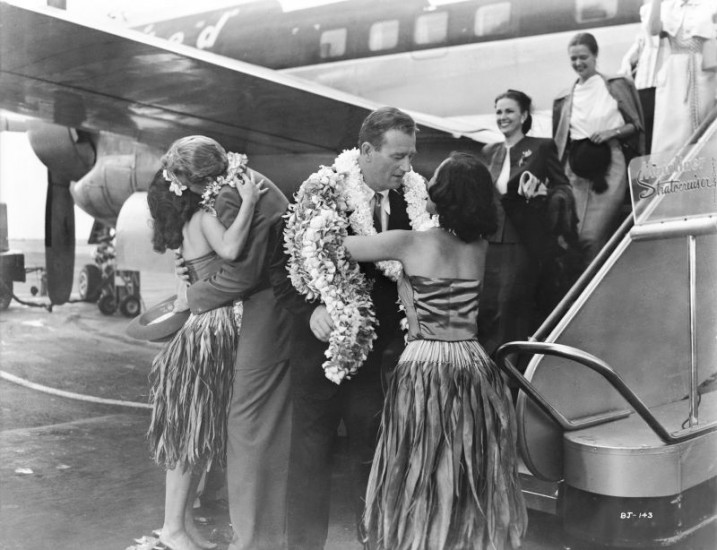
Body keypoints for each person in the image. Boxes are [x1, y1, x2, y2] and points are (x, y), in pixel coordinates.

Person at [341, 152, 527, 550]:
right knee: (461, 462)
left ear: (445, 194)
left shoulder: (408, 242)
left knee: (419, 462)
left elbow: (338, 246)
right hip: (472, 364)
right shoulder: (479, 247)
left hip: (424, 364)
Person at [270, 107, 418, 550]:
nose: (406, 167)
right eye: (398, 156)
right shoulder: (317, 195)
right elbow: (280, 269)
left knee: (372, 458)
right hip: (319, 355)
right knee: (310, 457)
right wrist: (309, 310)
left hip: (378, 359)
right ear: (367, 150)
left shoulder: (413, 199)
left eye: (411, 156)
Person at [145, 135, 264, 550]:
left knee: (195, 434)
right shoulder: (201, 217)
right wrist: (249, 202)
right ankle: (173, 530)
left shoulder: (182, 224)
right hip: (212, 330)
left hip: (201, 330)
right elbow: (230, 250)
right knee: (191, 436)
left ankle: (181, 527)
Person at [174, 137, 293, 550]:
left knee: (247, 426)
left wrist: (191, 294)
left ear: (196, 180)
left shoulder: (228, 196)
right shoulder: (242, 179)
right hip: (278, 306)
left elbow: (242, 275)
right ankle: (265, 536)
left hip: (269, 308)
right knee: (265, 424)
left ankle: (253, 540)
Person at [479, 89, 578, 356]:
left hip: (522, 238)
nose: (503, 116)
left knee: (510, 307)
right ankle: (490, 368)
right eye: (499, 112)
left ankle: (511, 368)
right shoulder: (490, 151)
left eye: (509, 111)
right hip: (489, 241)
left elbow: (563, 188)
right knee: (488, 307)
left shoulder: (542, 147)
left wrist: (545, 193)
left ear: (523, 116)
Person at [553, 32, 645, 268]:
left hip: (610, 164)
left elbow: (636, 125)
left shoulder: (617, 85)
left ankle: (595, 281)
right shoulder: (565, 98)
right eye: (573, 58)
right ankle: (578, 285)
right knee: (572, 234)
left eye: (583, 57)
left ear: (595, 55)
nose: (578, 63)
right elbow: (560, 141)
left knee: (593, 235)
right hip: (576, 169)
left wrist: (610, 133)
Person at [647, 0, 717, 153]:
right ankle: (673, 165)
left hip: (705, 72)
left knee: (705, 123)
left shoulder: (711, 5)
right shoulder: (670, 7)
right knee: (674, 125)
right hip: (675, 76)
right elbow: (653, 29)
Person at [619, 0, 668, 154]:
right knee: (645, 134)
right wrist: (627, 60)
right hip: (645, 80)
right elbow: (643, 40)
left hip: (666, 78)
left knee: (662, 133)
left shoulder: (681, 7)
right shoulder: (650, 6)